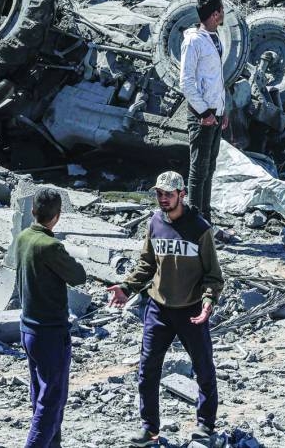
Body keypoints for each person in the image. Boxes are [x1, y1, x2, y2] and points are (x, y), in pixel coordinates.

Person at [107, 171, 224, 447]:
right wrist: (126, 287)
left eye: (168, 194)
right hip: (158, 308)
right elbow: (147, 264)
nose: (162, 199)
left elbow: (213, 275)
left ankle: (206, 425)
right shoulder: (155, 223)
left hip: (191, 310)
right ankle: (150, 430)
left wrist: (208, 302)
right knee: (148, 369)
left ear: (182, 194)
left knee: (203, 368)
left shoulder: (200, 228)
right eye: (159, 194)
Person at [15, 187, 88, 448]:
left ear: (33, 210)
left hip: (28, 329)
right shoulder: (51, 246)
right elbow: (78, 276)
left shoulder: (24, 237)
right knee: (52, 399)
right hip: (50, 333)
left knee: (40, 394)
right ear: (57, 216)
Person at [179, 0, 229, 226]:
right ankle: (193, 220)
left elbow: (216, 78)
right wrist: (204, 113)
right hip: (202, 116)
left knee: (210, 167)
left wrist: (222, 109)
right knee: (198, 170)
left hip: (216, 112)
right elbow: (186, 82)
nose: (223, 13)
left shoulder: (215, 37)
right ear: (215, 14)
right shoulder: (193, 41)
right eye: (221, 9)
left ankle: (205, 219)